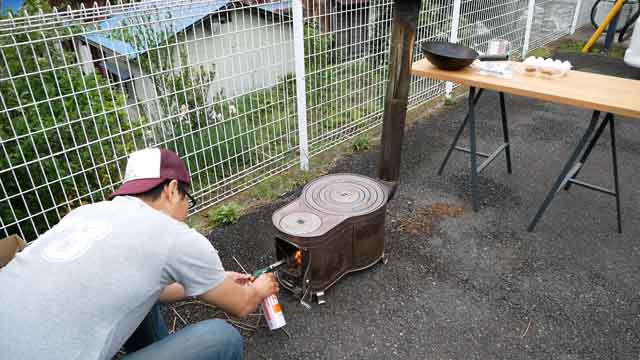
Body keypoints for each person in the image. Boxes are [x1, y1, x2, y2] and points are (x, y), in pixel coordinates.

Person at [0, 148, 279, 360]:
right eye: (188, 199)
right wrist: (262, 287)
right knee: (221, 338)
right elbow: (242, 304)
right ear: (172, 190)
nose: (187, 211)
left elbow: (146, 288)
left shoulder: (84, 214)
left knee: (143, 293)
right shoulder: (174, 236)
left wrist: (207, 282)